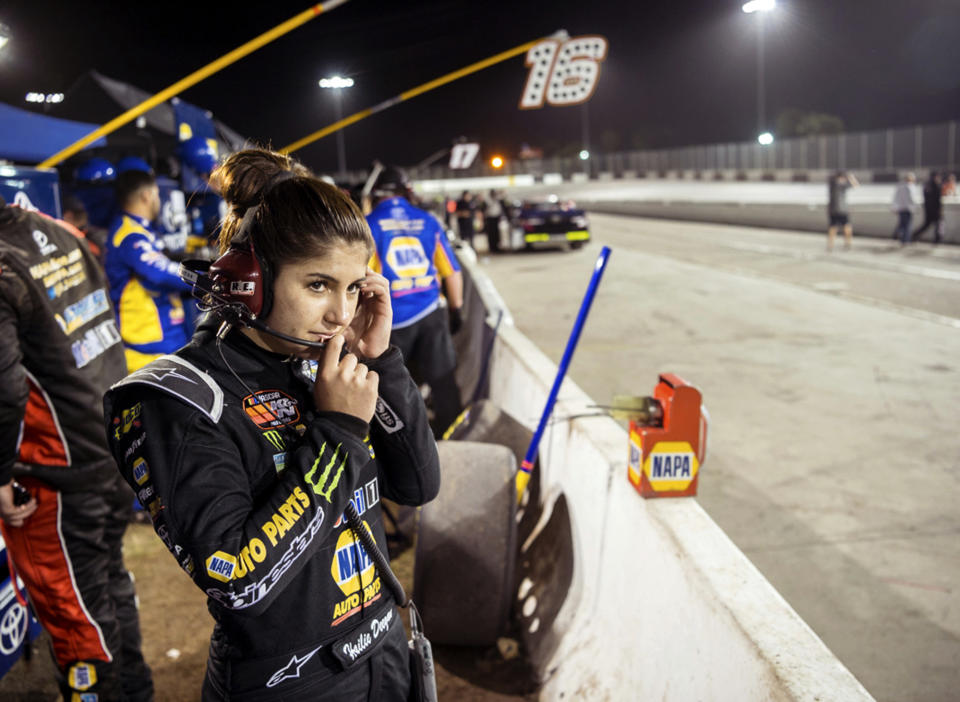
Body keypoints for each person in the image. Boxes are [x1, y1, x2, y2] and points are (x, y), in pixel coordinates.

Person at [103, 148, 440, 701]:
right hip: (294, 684)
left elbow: (418, 486)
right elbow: (238, 580)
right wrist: (336, 433)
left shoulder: (326, 364)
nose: (340, 313)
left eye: (354, 287)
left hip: (384, 656)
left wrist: (383, 361)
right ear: (249, 281)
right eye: (317, 285)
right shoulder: (177, 399)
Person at [0, 196, 154, 701]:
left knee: (77, 619)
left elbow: (6, 390)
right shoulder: (57, 228)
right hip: (107, 442)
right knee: (107, 588)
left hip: (58, 475)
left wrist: (1, 474)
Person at [366, 166, 465, 438]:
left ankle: (403, 442)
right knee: (444, 381)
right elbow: (452, 272)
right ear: (407, 192)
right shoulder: (428, 221)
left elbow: (362, 279)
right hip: (431, 313)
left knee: (391, 390)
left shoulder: (369, 224)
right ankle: (454, 437)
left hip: (391, 321)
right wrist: (456, 309)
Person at [105, 167, 193, 372]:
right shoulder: (130, 235)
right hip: (148, 351)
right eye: (156, 194)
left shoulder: (141, 230)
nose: (159, 201)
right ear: (147, 195)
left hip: (165, 342)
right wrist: (206, 279)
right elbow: (160, 272)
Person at [826, 170, 858, 251]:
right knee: (847, 226)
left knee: (833, 227)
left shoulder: (832, 184)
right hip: (842, 210)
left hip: (832, 210)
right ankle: (848, 243)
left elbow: (829, 177)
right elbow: (856, 185)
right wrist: (851, 177)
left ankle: (830, 245)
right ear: (841, 177)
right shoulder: (841, 185)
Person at [911, 172, 944, 243]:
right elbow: (938, 199)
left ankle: (914, 235)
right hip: (935, 210)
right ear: (935, 177)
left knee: (927, 225)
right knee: (938, 224)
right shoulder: (936, 186)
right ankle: (937, 240)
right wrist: (940, 210)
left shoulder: (926, 185)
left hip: (928, 209)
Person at [892, 173, 917, 246]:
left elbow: (896, 198)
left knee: (902, 224)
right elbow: (912, 199)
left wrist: (895, 207)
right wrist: (915, 207)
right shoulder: (910, 186)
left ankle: (900, 238)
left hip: (901, 208)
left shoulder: (900, 186)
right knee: (907, 225)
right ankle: (906, 240)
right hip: (908, 208)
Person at [483, 189, 505, 253]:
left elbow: (502, 196)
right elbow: (487, 207)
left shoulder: (497, 200)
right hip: (490, 219)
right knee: (491, 234)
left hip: (496, 218)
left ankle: (497, 247)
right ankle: (492, 247)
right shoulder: (488, 200)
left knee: (497, 234)